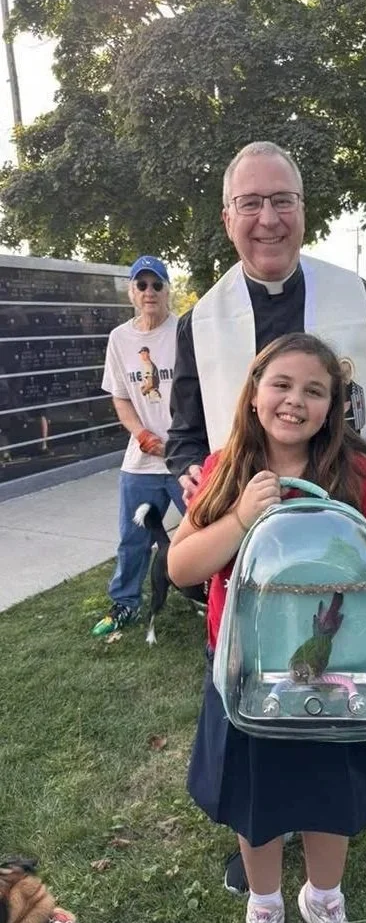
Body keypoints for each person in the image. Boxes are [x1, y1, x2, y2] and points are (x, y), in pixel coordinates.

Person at [166, 141, 366, 889]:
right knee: (254, 680)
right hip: (248, 552)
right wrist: (196, 476)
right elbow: (187, 433)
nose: (268, 218)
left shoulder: (351, 294)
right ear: (228, 218)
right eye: (251, 204)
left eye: (282, 201)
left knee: (364, 659)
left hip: (345, 531)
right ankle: (261, 827)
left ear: (303, 209)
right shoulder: (201, 318)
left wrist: (363, 470)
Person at [167, 333, 366, 923]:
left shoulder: (356, 470)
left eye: (314, 390)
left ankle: (324, 901)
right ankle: (264, 910)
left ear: (334, 405)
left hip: (341, 671)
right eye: (280, 384)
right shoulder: (225, 468)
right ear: (254, 393)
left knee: (329, 793)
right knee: (253, 798)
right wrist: (238, 519)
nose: (295, 401)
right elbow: (180, 567)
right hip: (244, 672)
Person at [91, 256, 185, 637]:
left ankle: (218, 599)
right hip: (141, 461)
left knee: (208, 529)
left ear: (167, 290)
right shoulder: (120, 339)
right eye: (141, 285)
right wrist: (142, 435)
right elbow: (121, 397)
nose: (149, 292)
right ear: (131, 292)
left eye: (156, 285)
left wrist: (179, 440)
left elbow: (201, 392)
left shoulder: (185, 332)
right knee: (133, 539)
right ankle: (125, 603)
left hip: (184, 457)